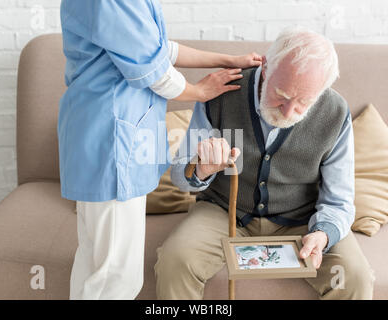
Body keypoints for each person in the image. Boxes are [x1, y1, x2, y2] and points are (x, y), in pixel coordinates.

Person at [57, 0, 262, 300]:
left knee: (95, 263)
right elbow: (155, 72)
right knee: (115, 276)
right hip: (112, 141)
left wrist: (228, 60)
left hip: (102, 136)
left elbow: (157, 49)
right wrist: (200, 91)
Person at [155, 26, 376, 300]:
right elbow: (179, 176)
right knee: (176, 261)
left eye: (303, 103)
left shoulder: (335, 112)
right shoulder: (221, 92)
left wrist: (323, 235)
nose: (288, 111)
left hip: (302, 220)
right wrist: (202, 169)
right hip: (224, 213)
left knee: (354, 277)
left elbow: (339, 200)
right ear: (267, 65)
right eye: (281, 94)